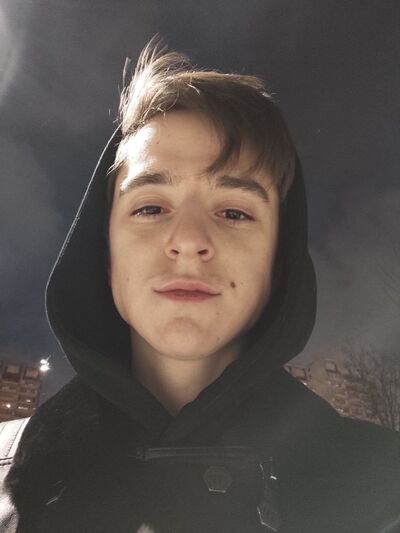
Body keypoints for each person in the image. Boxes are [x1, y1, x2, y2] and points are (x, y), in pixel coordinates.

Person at [0, 39, 398, 533]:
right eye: (150, 207)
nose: (189, 241)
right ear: (104, 252)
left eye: (234, 212)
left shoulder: (385, 488)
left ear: (279, 260)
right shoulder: (8, 476)